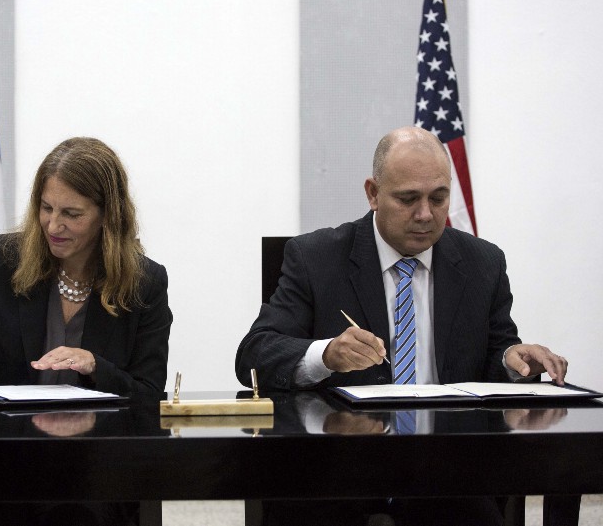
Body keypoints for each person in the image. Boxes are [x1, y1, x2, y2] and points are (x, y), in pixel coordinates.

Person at [235, 126, 569, 526]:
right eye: (408, 198)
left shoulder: (483, 263)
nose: (426, 214)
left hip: (448, 475)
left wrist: (512, 358)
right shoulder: (315, 258)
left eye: (438, 198)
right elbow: (254, 355)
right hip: (337, 469)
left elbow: (495, 355)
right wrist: (324, 354)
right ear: (373, 193)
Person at [0, 136, 172, 526]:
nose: (53, 225)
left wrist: (94, 365)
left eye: (72, 214)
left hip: (95, 466)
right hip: (8, 460)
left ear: (108, 215)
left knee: (74, 513)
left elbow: (147, 399)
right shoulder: (3, 258)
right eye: (46, 208)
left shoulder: (145, 282)